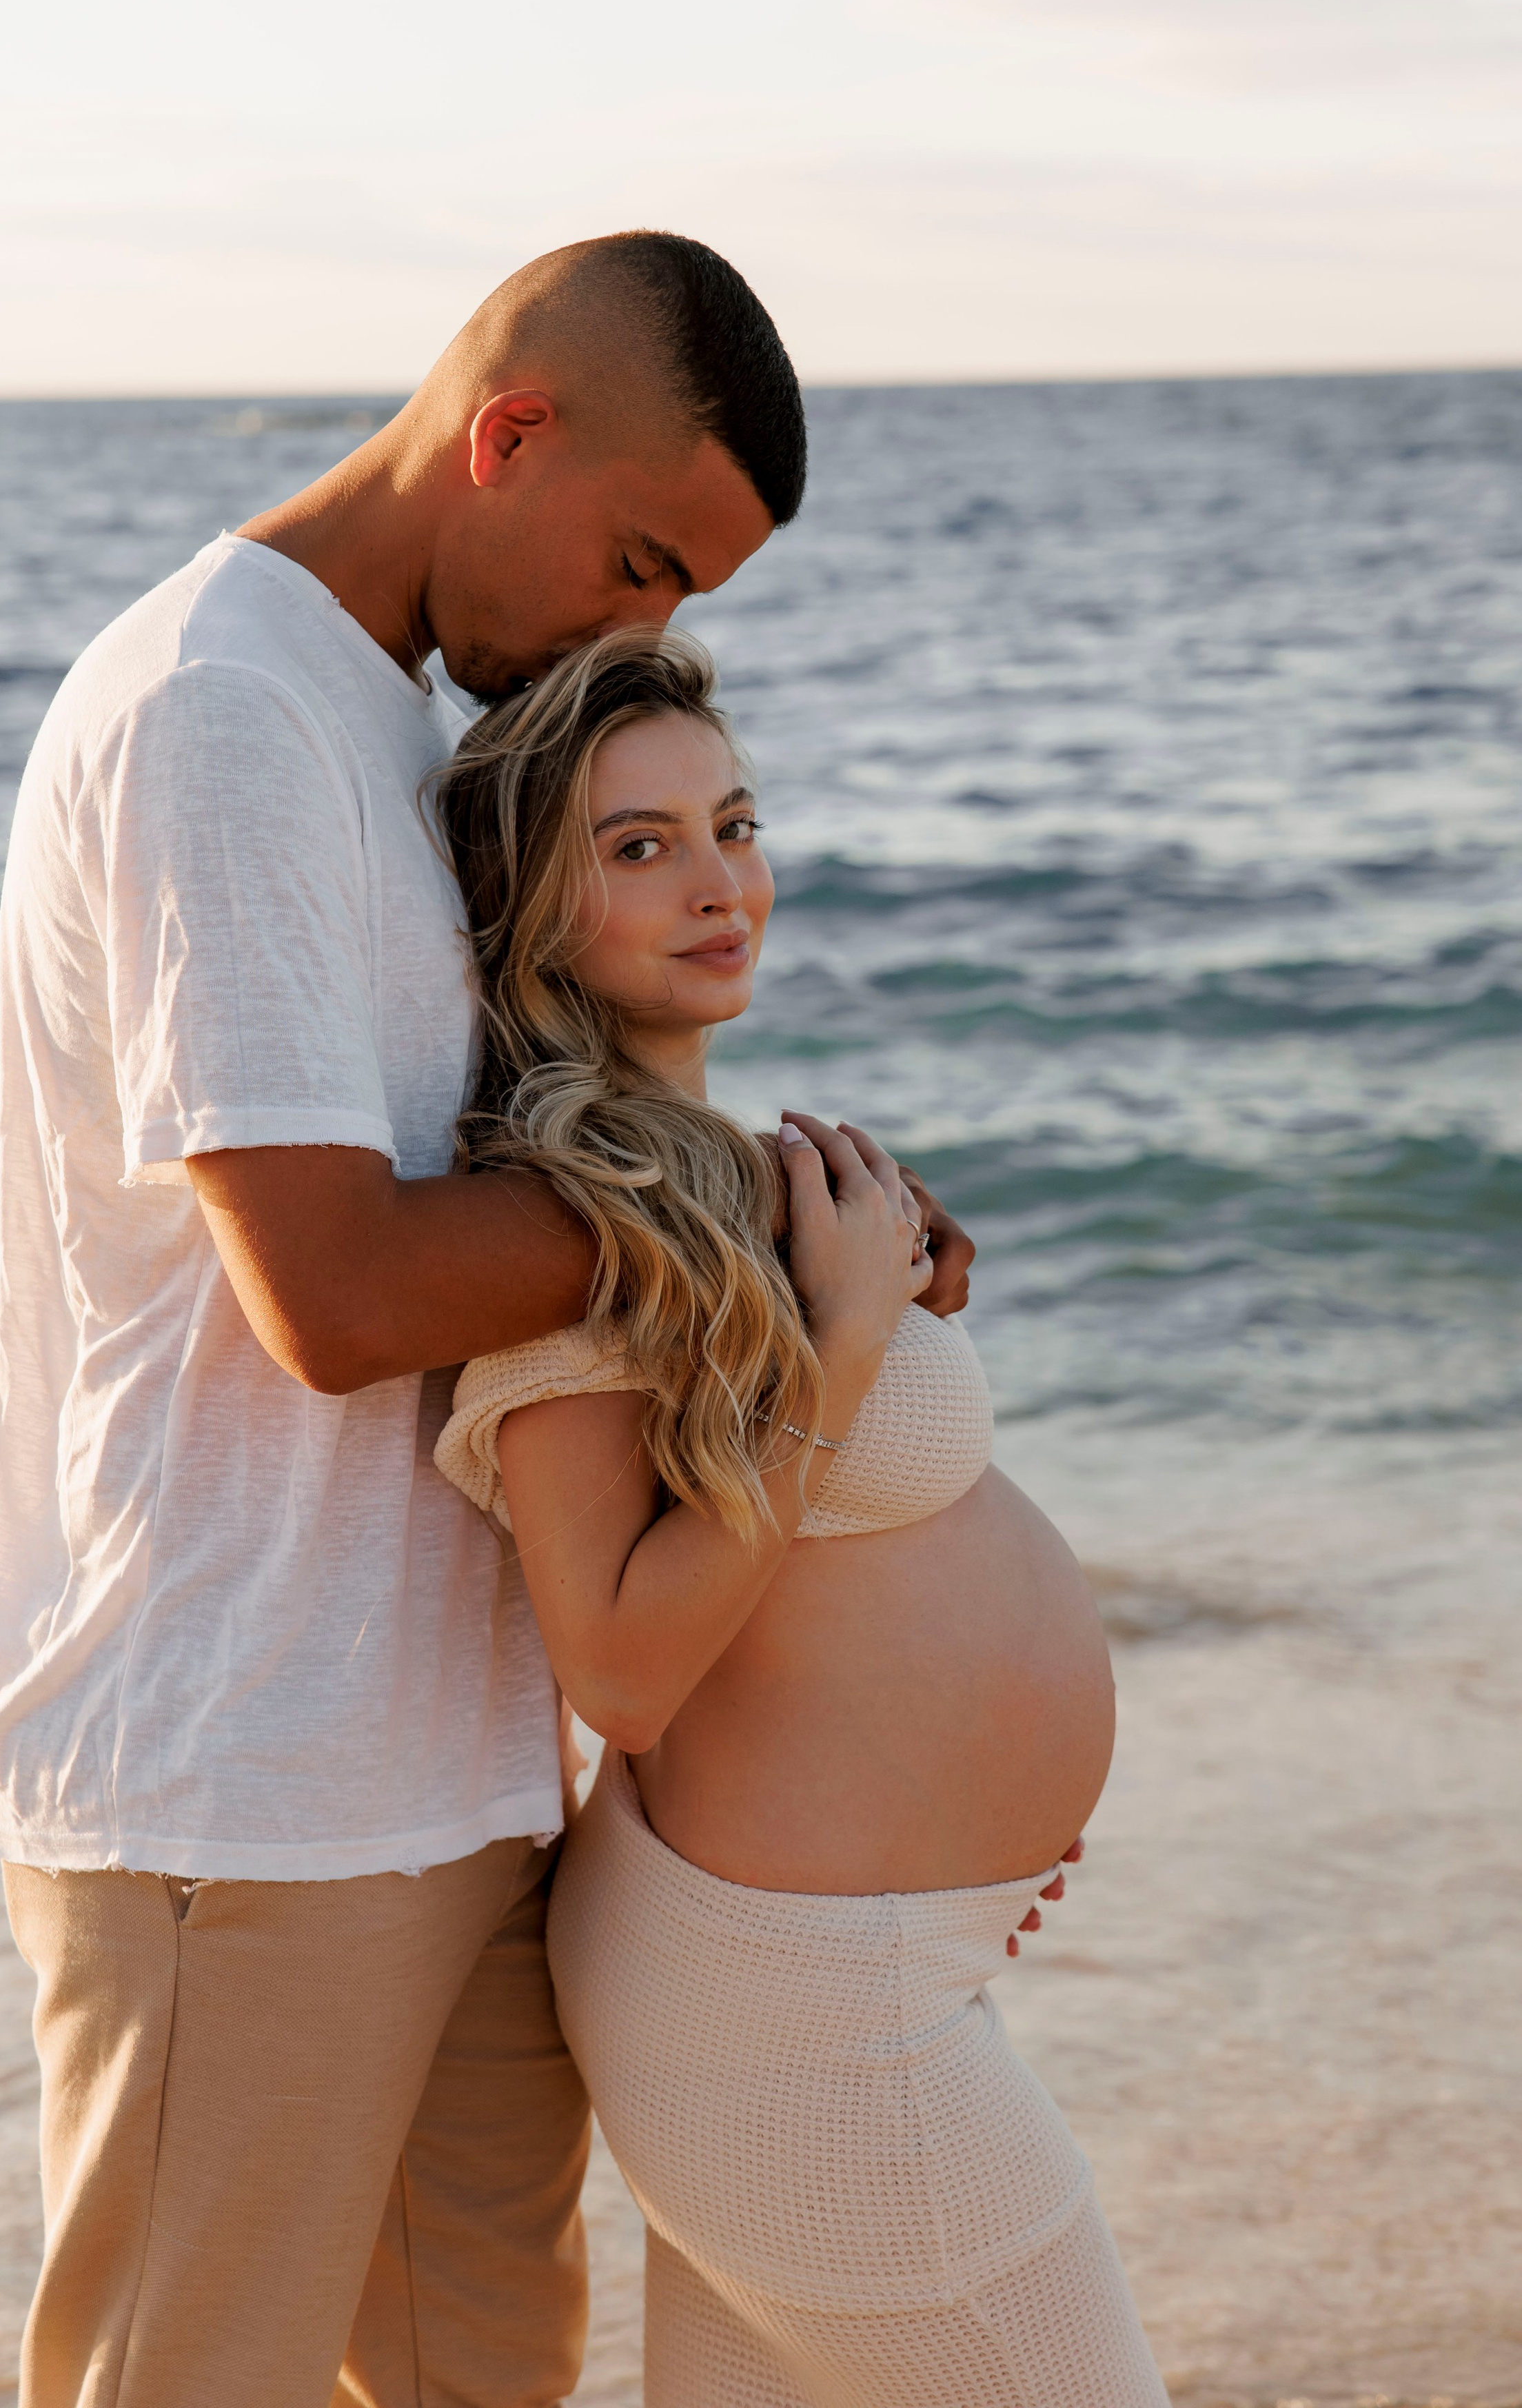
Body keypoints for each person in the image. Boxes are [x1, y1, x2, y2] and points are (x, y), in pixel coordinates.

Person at [0, 229, 977, 2408]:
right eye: (639, 558)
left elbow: (530, 1174)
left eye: (689, 606)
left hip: (441, 1762)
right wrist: (746, 1212)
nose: (639, 631)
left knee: (485, 2374)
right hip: (232, 1777)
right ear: (509, 433)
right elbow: (340, 1286)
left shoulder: (388, 729)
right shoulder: (224, 711)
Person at [430, 629, 1169, 2407]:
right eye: (638, 846)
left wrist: (952, 1858)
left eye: (733, 822)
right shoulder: (568, 1216)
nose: (718, 880)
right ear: (533, 917)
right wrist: (839, 1350)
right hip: (801, 2021)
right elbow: (619, 1663)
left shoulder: (706, 1171)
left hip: (824, 1976)